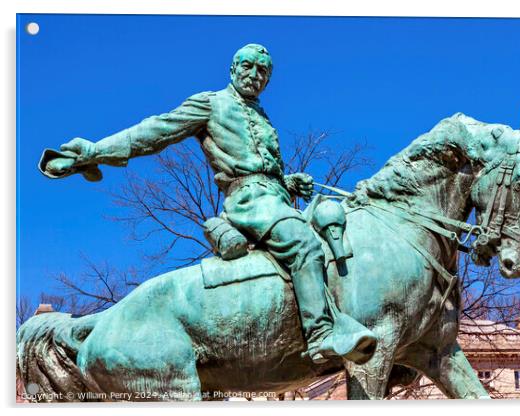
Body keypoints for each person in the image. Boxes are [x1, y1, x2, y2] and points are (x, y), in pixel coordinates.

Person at [49, 44, 376, 364]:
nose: (254, 74)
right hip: (249, 204)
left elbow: (261, 168)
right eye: (247, 66)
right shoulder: (210, 104)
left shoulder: (262, 116)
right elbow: (156, 131)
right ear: (232, 69)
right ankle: (320, 334)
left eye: (262, 71)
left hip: (275, 201)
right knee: (304, 244)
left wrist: (288, 182)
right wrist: (95, 152)